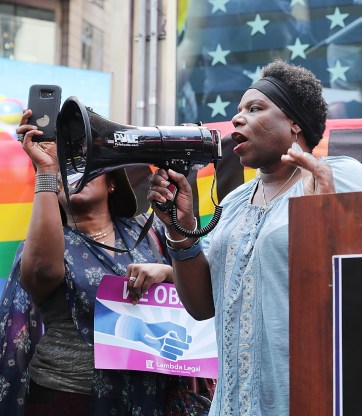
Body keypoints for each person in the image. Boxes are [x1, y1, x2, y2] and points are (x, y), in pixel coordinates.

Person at [147, 59, 362, 414]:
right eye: (237, 111)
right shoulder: (234, 202)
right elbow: (201, 307)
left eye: (255, 109)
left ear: (294, 122)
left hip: (308, 401)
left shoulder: (344, 176)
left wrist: (326, 218)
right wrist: (178, 229)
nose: (237, 119)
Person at [0, 109, 209, 415]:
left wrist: (165, 272)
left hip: (147, 397)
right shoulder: (44, 244)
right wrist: (45, 168)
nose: (74, 175)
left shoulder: (152, 233)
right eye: (63, 171)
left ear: (112, 182)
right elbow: (43, 272)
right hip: (67, 398)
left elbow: (204, 288)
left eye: (86, 167)